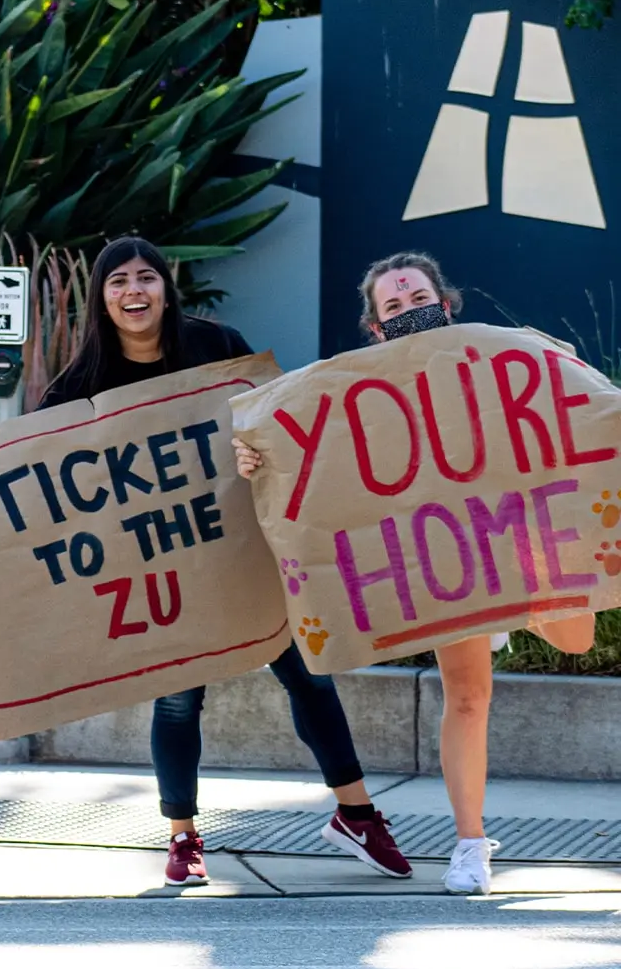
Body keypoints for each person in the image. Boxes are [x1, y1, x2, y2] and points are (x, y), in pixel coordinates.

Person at [36, 235, 412, 887]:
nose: (134, 292)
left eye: (145, 278)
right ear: (102, 296)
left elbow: (279, 418)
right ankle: (183, 836)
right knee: (178, 702)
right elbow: (32, 465)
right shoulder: (83, 381)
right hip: (163, 568)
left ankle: (357, 813)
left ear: (165, 287)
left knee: (308, 674)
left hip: (247, 547)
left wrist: (255, 452)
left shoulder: (218, 347)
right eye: (119, 280)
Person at [235, 251, 597, 895]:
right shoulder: (351, 386)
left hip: (523, 533)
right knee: (468, 696)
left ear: (447, 304)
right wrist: (255, 456)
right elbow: (313, 452)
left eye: (418, 297)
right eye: (393, 306)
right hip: (451, 553)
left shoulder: (502, 354)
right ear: (375, 329)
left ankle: (471, 837)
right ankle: (470, 844)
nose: (409, 310)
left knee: (575, 638)